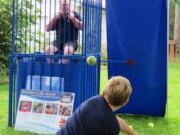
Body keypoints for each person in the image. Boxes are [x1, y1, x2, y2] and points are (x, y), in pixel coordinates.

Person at [56, 76, 138, 135]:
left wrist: (132, 133)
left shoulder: (94, 101)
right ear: (125, 102)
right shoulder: (112, 127)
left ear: (104, 91)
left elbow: (115, 119)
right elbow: (112, 120)